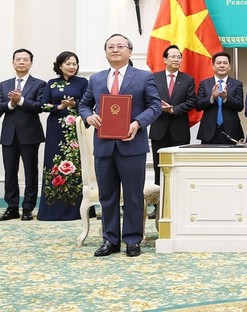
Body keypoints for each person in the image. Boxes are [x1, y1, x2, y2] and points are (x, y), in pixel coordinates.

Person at [78, 33, 161, 257]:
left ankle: (132, 240)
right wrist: (88, 116)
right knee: (107, 196)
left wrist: (137, 123)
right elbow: (84, 105)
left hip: (132, 145)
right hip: (104, 146)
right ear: (105, 52)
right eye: (110, 47)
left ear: (129, 51)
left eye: (120, 46)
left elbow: (155, 106)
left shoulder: (144, 77)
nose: (115, 50)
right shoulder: (96, 79)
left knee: (133, 196)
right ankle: (110, 240)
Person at [37, 51, 89, 221]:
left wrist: (74, 104)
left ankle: (77, 209)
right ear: (60, 65)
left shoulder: (83, 82)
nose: (72, 67)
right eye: (68, 63)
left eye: (74, 64)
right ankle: (53, 210)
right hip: (55, 127)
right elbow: (42, 105)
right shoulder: (51, 83)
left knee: (77, 162)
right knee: (54, 161)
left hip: (76, 128)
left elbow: (89, 103)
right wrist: (59, 107)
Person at [149, 45, 196, 217]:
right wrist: (159, 107)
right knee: (159, 167)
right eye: (173, 56)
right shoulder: (154, 78)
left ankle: (179, 205)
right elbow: (149, 99)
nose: (176, 59)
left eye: (179, 57)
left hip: (179, 129)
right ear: (164, 59)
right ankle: (158, 206)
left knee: (178, 168)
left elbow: (192, 102)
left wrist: (174, 109)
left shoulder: (188, 79)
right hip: (159, 129)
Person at [0, 49, 46, 221]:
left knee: (30, 172)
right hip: (9, 135)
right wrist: (11, 104)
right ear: (13, 63)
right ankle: (12, 207)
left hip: (30, 134)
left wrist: (20, 100)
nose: (21, 62)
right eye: (18, 59)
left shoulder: (39, 84)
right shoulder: (4, 85)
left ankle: (28, 208)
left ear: (31, 63)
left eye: (25, 59)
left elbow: (40, 106)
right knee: (10, 173)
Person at [196, 52, 244, 144]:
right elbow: (198, 106)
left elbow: (240, 106)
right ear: (213, 66)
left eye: (225, 63)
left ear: (229, 67)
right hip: (208, 130)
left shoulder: (237, 84)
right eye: (219, 63)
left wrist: (226, 98)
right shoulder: (204, 83)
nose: (222, 65)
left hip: (231, 130)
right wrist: (212, 97)